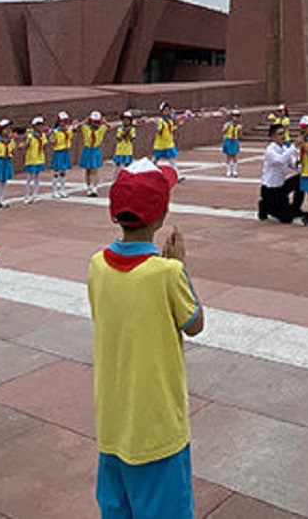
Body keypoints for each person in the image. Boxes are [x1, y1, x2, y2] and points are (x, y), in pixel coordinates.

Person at [87, 159, 204, 519]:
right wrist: (181, 267)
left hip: (112, 420)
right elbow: (194, 324)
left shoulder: (97, 264)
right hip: (157, 425)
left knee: (116, 508)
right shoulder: (166, 273)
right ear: (161, 216)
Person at [257, 124, 306, 223]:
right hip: (270, 189)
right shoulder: (270, 150)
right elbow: (280, 160)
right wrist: (293, 147)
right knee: (286, 219)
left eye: (284, 133)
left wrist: (304, 168)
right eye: (279, 134)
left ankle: (296, 207)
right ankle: (264, 205)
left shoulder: (284, 148)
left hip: (281, 186)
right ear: (272, 137)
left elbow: (293, 164)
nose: (283, 136)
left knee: (301, 179)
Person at [0, 119, 16, 209]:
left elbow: (12, 151)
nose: (8, 131)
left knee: (4, 181)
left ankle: (1, 199)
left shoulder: (11, 141)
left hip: (7, 161)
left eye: (9, 129)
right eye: (6, 129)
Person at [81, 111, 108, 196]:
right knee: (88, 170)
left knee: (95, 170)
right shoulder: (85, 128)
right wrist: (86, 120)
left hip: (96, 150)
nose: (95, 124)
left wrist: (104, 121)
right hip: (87, 150)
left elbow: (109, 126)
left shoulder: (102, 129)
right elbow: (79, 125)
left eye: (97, 122)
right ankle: (89, 188)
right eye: (93, 122)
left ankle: (94, 188)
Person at [23, 115, 49, 204]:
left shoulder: (43, 136)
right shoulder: (30, 136)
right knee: (29, 178)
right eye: (38, 125)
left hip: (39, 158)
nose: (40, 127)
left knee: (37, 177)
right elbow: (26, 146)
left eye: (41, 125)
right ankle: (27, 195)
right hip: (31, 159)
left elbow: (45, 146)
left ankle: (35, 194)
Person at [50, 113, 74, 199]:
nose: (64, 123)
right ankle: (54, 191)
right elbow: (52, 141)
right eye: (62, 121)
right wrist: (52, 135)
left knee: (63, 172)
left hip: (65, 151)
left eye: (65, 121)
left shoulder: (68, 131)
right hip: (58, 152)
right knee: (56, 172)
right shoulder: (56, 131)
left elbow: (70, 136)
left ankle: (62, 190)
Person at [152, 102, 181, 169]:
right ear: (162, 112)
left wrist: (178, 124)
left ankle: (176, 173)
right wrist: (159, 128)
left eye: (168, 110)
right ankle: (150, 171)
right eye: (165, 110)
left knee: (172, 160)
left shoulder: (170, 121)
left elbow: (171, 129)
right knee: (155, 160)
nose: (167, 112)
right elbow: (159, 130)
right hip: (160, 145)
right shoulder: (160, 121)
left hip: (169, 144)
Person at [220, 109, 243, 178]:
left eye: (237, 116)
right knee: (228, 156)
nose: (235, 118)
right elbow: (223, 131)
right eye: (234, 116)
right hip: (228, 140)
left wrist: (239, 130)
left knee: (235, 156)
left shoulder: (238, 126)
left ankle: (235, 171)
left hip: (234, 140)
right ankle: (228, 171)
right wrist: (225, 128)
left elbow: (238, 133)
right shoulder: (228, 124)